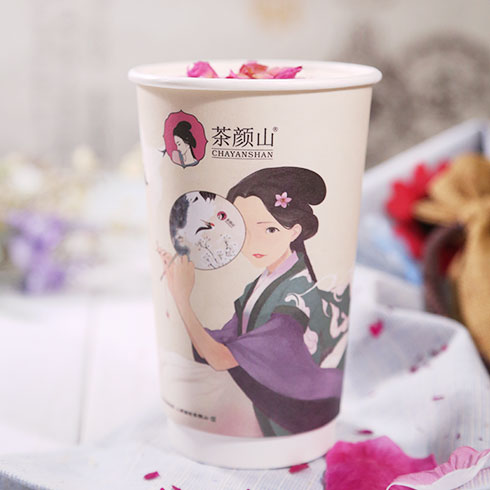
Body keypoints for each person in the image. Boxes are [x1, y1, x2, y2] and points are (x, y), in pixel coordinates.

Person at [158, 167, 350, 436]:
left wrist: (182, 299)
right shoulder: (260, 285)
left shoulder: (296, 296)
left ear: (294, 231)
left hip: (298, 413)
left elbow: (221, 358)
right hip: (268, 405)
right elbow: (220, 344)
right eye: (244, 231)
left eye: (270, 229)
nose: (254, 242)